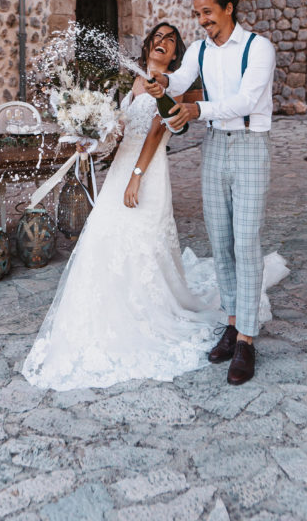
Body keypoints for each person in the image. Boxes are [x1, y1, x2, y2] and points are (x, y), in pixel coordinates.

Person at [22, 21, 285, 392]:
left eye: (171, 40)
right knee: (105, 238)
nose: (163, 42)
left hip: (146, 172)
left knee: (140, 242)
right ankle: (108, 310)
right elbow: (121, 132)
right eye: (158, 37)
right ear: (147, 46)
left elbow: (157, 131)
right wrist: (91, 141)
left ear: (175, 55)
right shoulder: (133, 83)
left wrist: (137, 176)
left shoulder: (170, 87)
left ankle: (152, 313)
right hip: (121, 170)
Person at [146, 0, 277, 386]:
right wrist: (162, 81)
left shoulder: (258, 48)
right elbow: (181, 79)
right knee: (220, 242)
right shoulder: (200, 50)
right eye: (197, 14)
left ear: (229, 8)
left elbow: (246, 101)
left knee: (246, 243)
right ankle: (232, 324)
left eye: (207, 12)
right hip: (215, 147)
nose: (202, 20)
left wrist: (196, 110)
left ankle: (247, 341)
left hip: (251, 145)